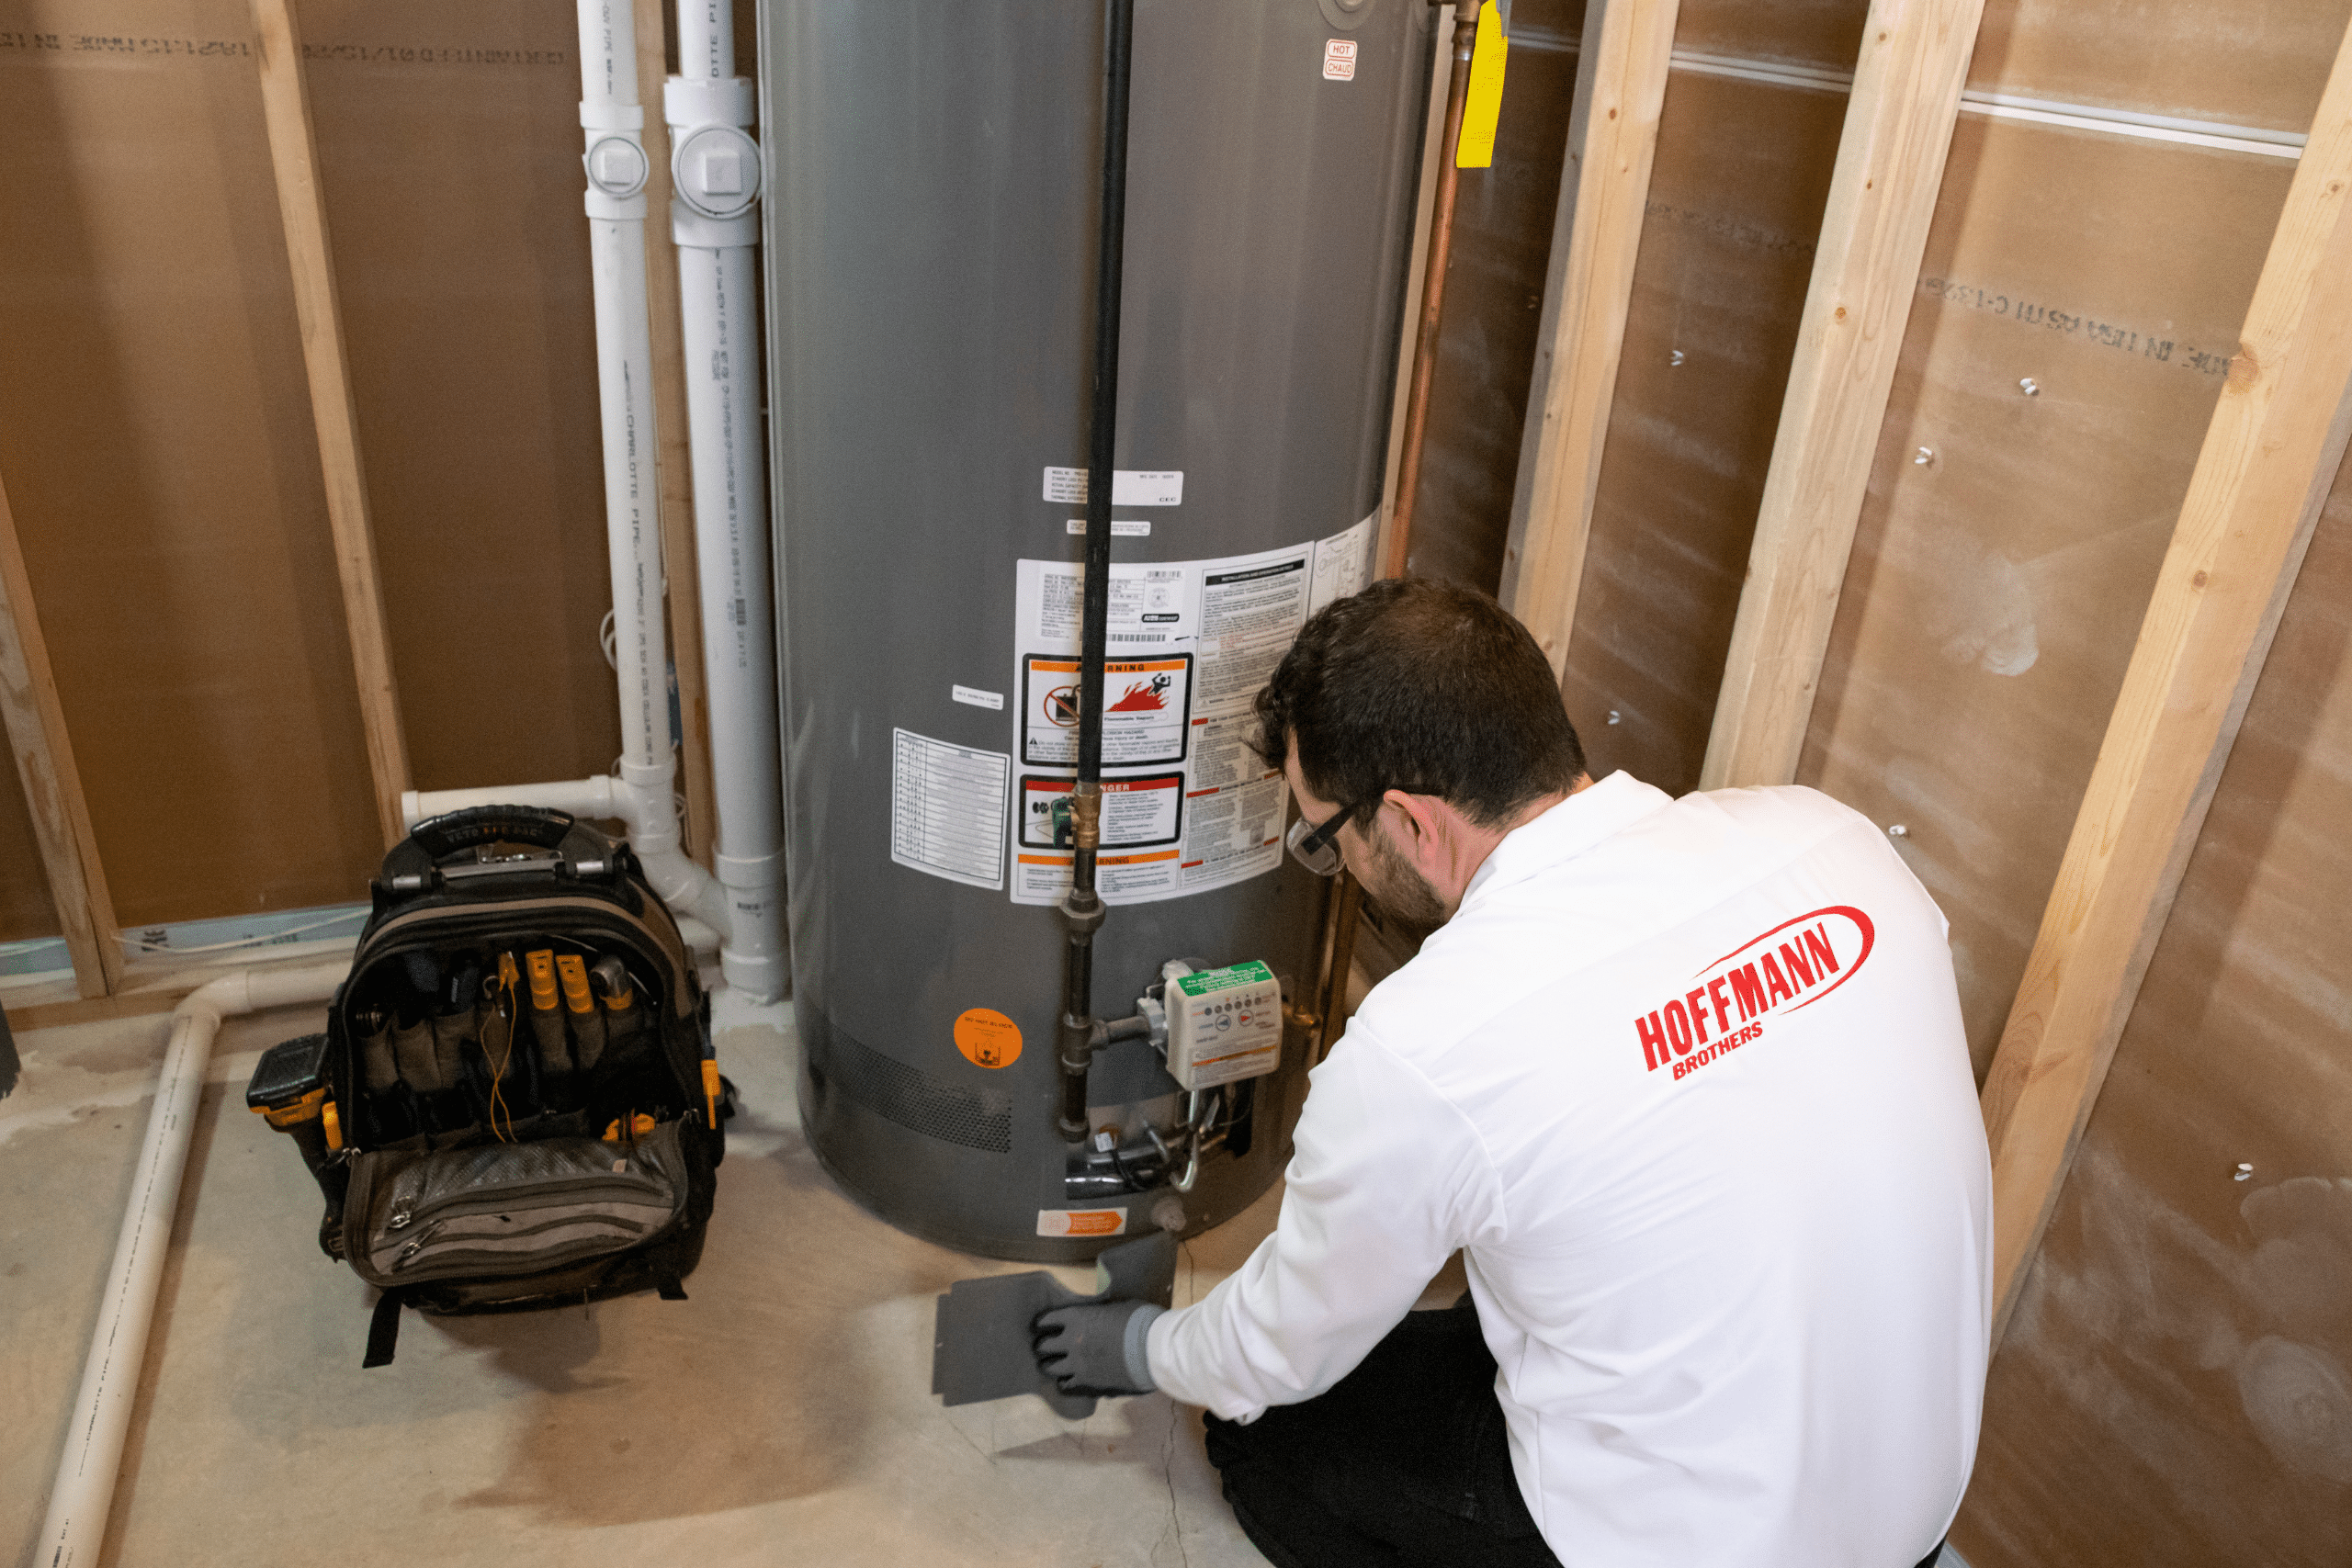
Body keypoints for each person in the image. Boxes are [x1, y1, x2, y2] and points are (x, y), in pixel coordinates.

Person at [1034, 578, 1992, 1568]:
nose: (1329, 863)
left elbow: (1276, 1352)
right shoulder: (1827, 840)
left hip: (1698, 1545)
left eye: (1324, 839)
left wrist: (1143, 1347)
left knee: (1262, 1434)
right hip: (1910, 1505)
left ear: (1409, 823)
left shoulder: (1424, 1048)